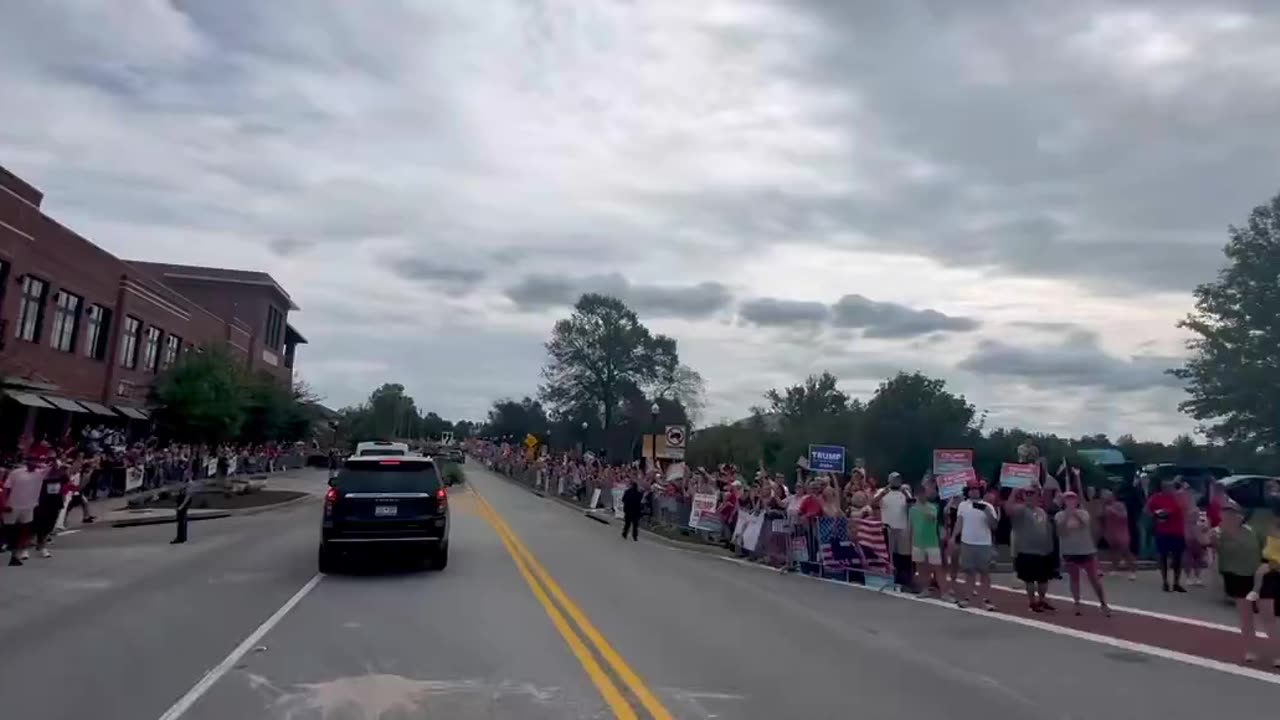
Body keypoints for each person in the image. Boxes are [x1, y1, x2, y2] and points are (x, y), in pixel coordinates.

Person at [1213, 503, 1263, 662]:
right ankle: (1251, 649)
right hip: (1238, 576)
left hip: (1260, 575)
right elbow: (1204, 542)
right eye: (1226, 514)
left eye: (1233, 514)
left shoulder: (1253, 530)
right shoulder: (1218, 531)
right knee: (1246, 616)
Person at [1056, 490, 1110, 616]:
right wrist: (1067, 514)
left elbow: (1083, 523)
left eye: (1072, 498)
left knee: (1094, 579)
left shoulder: (1083, 513)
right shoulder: (1059, 515)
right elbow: (1061, 531)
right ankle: (1077, 603)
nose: (1070, 501)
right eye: (1067, 499)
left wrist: (1073, 512)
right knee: (1074, 579)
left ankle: (1103, 603)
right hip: (1069, 551)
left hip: (1086, 550)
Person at [1006, 486, 1057, 612]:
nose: (1029, 495)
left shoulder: (1041, 511)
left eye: (1031, 493)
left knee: (1043, 580)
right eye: (1026, 493)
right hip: (1026, 551)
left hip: (1044, 551)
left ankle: (1042, 599)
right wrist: (1014, 492)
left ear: (1037, 495)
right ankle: (1032, 602)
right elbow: (1008, 510)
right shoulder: (1021, 509)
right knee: (1029, 579)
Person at [953, 480, 998, 611]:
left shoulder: (988, 506)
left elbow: (994, 526)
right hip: (967, 542)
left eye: (976, 489)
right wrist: (953, 537)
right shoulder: (963, 505)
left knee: (985, 573)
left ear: (981, 491)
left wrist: (987, 513)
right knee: (969, 572)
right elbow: (959, 522)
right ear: (968, 491)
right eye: (971, 489)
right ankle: (968, 598)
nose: (974, 491)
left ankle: (985, 600)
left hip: (984, 543)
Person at [1244, 515, 1280, 668]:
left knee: (1269, 619)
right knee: (1270, 619)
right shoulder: (1270, 535)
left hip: (1272, 574)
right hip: (1270, 573)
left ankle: (1278, 654)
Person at [2, 456, 48, 566]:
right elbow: (6, 488)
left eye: (35, 461)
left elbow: (57, 467)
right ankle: (10, 547)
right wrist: (4, 503)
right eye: (31, 461)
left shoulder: (40, 473)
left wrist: (43, 463)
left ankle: (16, 554)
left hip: (29, 506)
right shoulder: (16, 473)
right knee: (9, 530)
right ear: (26, 462)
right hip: (12, 505)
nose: (33, 463)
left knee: (24, 530)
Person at [1146, 476, 1187, 592]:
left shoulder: (1178, 498)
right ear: (1162, 488)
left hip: (1177, 531)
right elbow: (1147, 510)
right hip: (1163, 531)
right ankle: (1165, 581)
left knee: (1178, 558)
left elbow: (1184, 508)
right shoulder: (1156, 498)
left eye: (1170, 487)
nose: (1168, 489)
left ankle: (1176, 582)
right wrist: (1155, 516)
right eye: (1165, 487)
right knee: (1163, 557)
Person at [909, 480, 949, 600]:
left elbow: (931, 519)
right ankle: (925, 590)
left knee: (937, 568)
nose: (921, 496)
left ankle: (945, 593)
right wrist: (911, 543)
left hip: (932, 542)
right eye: (919, 494)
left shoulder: (933, 507)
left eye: (923, 493)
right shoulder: (912, 510)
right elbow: (911, 527)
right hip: (917, 543)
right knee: (921, 568)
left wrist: (921, 506)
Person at [876, 472, 914, 592]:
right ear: (889, 480)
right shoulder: (882, 491)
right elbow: (872, 503)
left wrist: (906, 493)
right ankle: (891, 578)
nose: (895, 482)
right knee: (889, 554)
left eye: (898, 480)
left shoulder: (904, 491)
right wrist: (882, 493)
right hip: (887, 527)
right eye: (893, 480)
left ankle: (905, 580)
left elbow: (911, 504)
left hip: (903, 527)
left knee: (904, 555)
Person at [32, 457, 70, 558]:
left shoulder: (61, 475)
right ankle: (40, 545)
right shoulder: (42, 475)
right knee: (39, 524)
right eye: (52, 464)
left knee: (50, 525)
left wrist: (63, 469)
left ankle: (42, 544)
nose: (54, 466)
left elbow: (67, 479)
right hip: (42, 502)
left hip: (55, 502)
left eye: (56, 464)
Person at [1100, 489, 1135, 579]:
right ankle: (1115, 569)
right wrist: (1104, 531)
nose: (1105, 498)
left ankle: (1132, 571)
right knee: (1113, 551)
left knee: (1125, 550)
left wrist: (1112, 511)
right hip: (1111, 531)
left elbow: (1124, 516)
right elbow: (1103, 519)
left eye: (1106, 496)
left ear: (1112, 496)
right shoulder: (1104, 506)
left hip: (1122, 531)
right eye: (1103, 496)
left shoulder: (1120, 505)